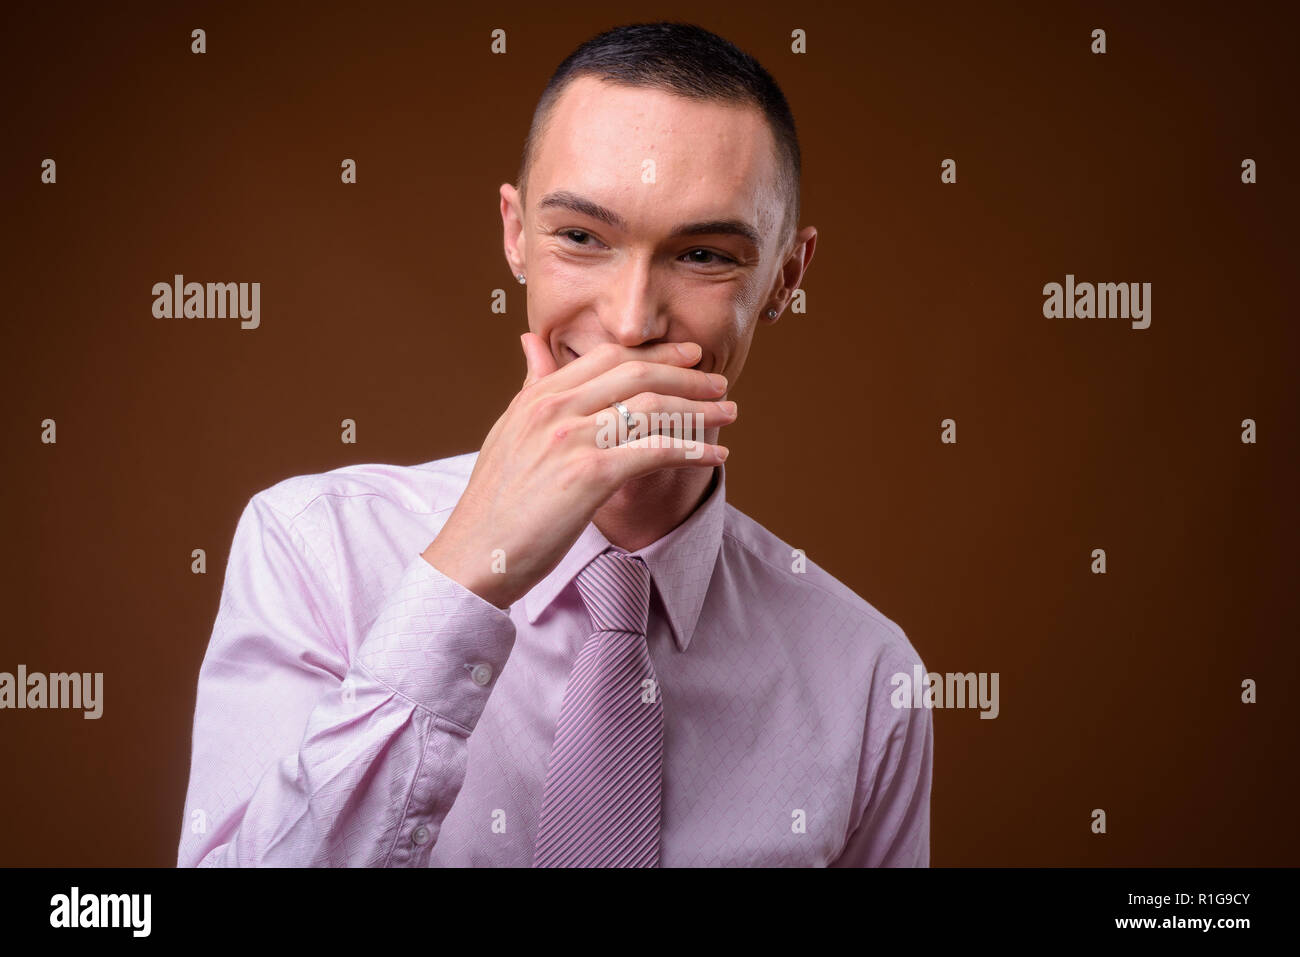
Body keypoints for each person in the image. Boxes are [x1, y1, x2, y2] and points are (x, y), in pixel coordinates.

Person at [177, 20, 932, 868]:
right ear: (514, 234)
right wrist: (465, 575)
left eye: (705, 254)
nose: (630, 320)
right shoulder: (314, 550)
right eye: (580, 237)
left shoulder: (869, 678)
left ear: (786, 278)